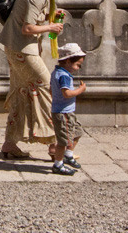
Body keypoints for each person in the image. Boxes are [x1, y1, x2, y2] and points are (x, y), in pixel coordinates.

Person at [0, 0, 79, 159]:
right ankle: (54, 145)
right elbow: (27, 28)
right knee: (47, 89)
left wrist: (49, 19)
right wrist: (50, 27)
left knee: (21, 92)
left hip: (16, 47)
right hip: (23, 49)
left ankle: (9, 144)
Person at [50, 42, 87, 175]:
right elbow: (67, 93)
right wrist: (80, 90)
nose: (78, 68)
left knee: (77, 131)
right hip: (63, 113)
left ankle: (68, 155)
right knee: (63, 141)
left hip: (66, 111)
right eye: (77, 64)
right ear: (67, 61)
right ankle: (58, 164)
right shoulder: (64, 76)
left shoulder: (56, 72)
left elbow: (51, 90)